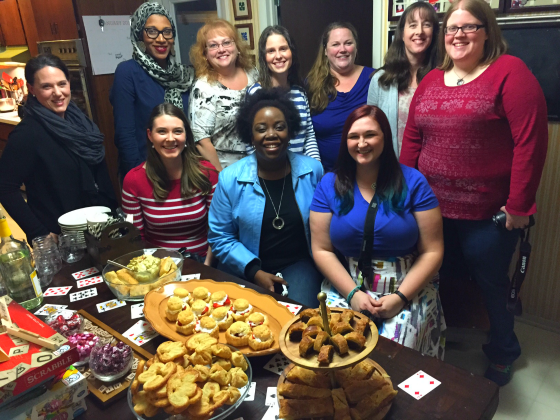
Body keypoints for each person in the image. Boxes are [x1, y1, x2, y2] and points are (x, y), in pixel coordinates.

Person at [400, 0, 548, 385]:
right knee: (437, 278)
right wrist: (403, 193)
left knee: (491, 287)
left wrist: (519, 205)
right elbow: (413, 139)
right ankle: (438, 339)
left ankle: (503, 351)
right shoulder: (432, 80)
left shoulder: (510, 73)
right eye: (451, 28)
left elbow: (530, 143)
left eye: (468, 27)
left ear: (487, 32)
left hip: (488, 215)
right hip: (430, 210)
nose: (458, 35)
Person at [310, 105, 445, 358]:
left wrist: (401, 297)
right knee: (337, 350)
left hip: (408, 283)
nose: (362, 143)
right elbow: (321, 249)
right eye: (353, 136)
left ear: (385, 138)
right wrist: (352, 294)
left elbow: (433, 251)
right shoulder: (329, 184)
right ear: (345, 141)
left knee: (393, 356)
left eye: (370, 135)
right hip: (347, 281)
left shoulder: (413, 182)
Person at [208, 88, 324, 307]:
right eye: (261, 129)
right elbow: (220, 236)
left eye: (279, 127)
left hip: (299, 264)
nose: (271, 134)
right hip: (244, 264)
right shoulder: (230, 178)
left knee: (298, 320)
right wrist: (254, 271)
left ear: (290, 132)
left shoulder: (313, 171)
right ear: (250, 136)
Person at [0, 54, 117, 242]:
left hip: (97, 227)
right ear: (32, 89)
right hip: (62, 238)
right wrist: (39, 233)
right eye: (47, 86)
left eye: (62, 84)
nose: (58, 92)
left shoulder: (80, 122)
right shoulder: (27, 135)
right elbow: (5, 188)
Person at [122, 103, 218, 264]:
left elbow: (219, 229)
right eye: (162, 131)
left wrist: (207, 267)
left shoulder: (207, 173)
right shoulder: (133, 180)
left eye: (178, 131)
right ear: (150, 136)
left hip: (204, 261)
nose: (171, 138)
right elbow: (134, 239)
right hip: (157, 265)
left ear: (186, 135)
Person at [111, 2, 194, 180]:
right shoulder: (128, 72)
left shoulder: (183, 74)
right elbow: (125, 134)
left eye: (167, 31)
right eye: (152, 31)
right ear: (140, 34)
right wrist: (139, 176)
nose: (161, 39)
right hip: (147, 170)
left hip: (183, 168)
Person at [367, 2, 439, 157]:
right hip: (391, 169)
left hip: (431, 169)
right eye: (412, 25)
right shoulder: (380, 80)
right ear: (402, 32)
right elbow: (370, 128)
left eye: (426, 25)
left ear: (434, 32)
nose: (419, 31)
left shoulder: (444, 78)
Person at [189, 19, 258, 171]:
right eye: (213, 45)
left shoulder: (253, 73)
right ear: (205, 54)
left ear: (237, 47)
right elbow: (201, 141)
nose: (221, 49)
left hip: (260, 165)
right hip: (227, 170)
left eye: (227, 42)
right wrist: (223, 178)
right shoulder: (203, 87)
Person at [307, 22, 375, 171]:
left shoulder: (375, 79)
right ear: (325, 50)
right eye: (335, 44)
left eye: (348, 43)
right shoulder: (311, 85)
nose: (342, 49)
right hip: (326, 177)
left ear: (356, 47)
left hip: (368, 173)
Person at [247, 25, 320, 161]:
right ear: (264, 57)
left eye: (283, 49)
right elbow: (249, 142)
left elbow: (309, 136)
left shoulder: (300, 92)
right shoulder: (255, 93)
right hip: (269, 174)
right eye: (271, 51)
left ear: (291, 52)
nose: (278, 56)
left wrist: (316, 168)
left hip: (301, 174)